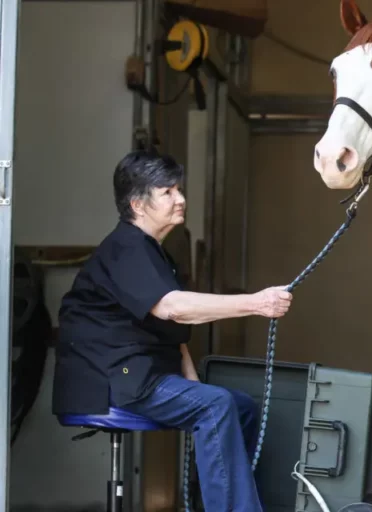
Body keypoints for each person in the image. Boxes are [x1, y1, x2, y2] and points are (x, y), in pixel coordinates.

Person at [52, 150, 293, 512]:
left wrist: (193, 382)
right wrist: (256, 303)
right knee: (217, 406)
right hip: (109, 381)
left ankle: (216, 502)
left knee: (239, 406)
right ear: (138, 203)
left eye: (178, 190)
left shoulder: (154, 253)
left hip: (139, 375)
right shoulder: (125, 249)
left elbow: (171, 330)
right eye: (167, 193)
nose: (180, 199)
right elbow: (175, 309)